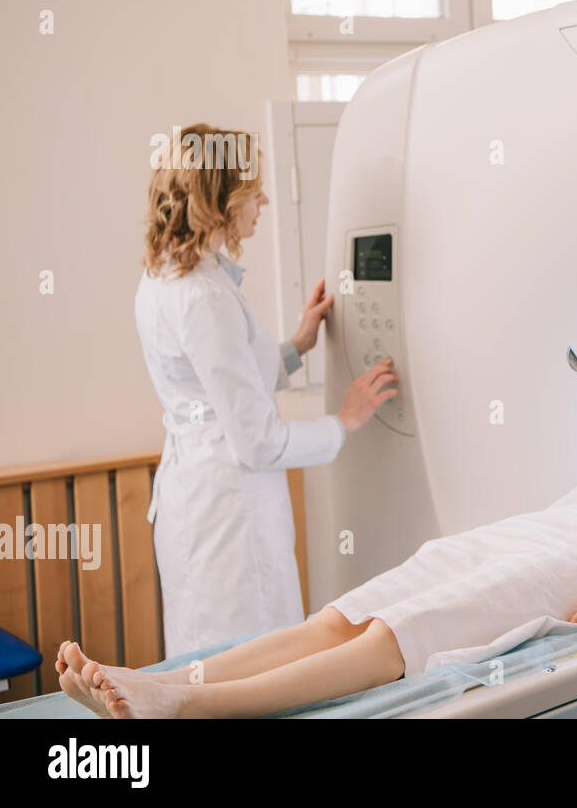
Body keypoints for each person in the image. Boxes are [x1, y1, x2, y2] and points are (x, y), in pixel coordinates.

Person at [54, 459, 577, 718]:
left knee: (402, 633)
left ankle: (189, 704)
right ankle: (160, 680)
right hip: (546, 526)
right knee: (351, 612)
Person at [136, 123, 398, 658]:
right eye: (254, 189)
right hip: (228, 514)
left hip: (197, 495)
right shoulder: (202, 296)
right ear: (222, 198)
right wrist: (344, 420)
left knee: (207, 657)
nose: (265, 200)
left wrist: (299, 343)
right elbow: (258, 441)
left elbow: (218, 382)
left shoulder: (165, 277)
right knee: (247, 661)